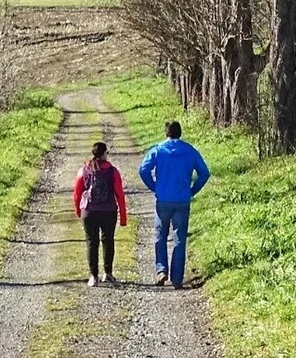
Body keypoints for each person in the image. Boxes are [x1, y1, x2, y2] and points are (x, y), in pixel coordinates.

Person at [139, 121, 210, 289]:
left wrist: (154, 186)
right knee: (179, 238)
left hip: (163, 199)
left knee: (160, 235)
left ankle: (161, 269)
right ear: (180, 133)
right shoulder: (190, 151)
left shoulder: (158, 150)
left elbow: (143, 170)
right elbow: (204, 173)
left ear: (166, 134)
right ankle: (177, 278)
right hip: (182, 199)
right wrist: (192, 190)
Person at [73, 141, 129, 286]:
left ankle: (93, 276)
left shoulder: (84, 170)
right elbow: (119, 194)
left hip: (89, 212)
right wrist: (123, 216)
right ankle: (108, 274)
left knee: (92, 242)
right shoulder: (112, 171)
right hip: (108, 211)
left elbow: (77, 193)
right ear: (104, 154)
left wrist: (79, 210)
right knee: (108, 241)